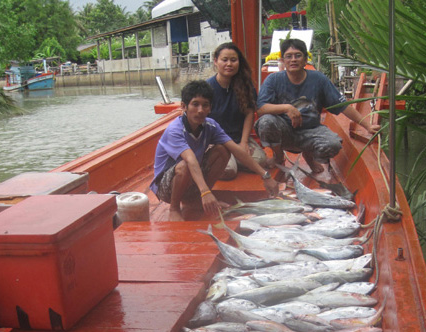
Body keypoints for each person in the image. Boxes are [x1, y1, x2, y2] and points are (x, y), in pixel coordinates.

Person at [151, 80, 278, 221]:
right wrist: (205, 192)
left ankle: (198, 199)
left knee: (222, 150)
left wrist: (265, 175)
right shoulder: (175, 130)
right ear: (184, 106)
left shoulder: (211, 125)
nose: (200, 110)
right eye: (195, 104)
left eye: (205, 105)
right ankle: (174, 208)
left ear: (210, 108)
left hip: (191, 178)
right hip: (166, 187)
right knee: (185, 165)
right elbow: (190, 159)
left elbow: (236, 150)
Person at [255, 38, 380, 178]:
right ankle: (278, 156)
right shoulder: (274, 80)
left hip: (311, 131)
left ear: (305, 59)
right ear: (283, 60)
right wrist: (287, 108)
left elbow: (343, 106)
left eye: (298, 55)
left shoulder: (318, 79)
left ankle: (309, 156)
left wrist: (367, 125)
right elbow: (261, 108)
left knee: (333, 145)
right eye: (288, 56)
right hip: (284, 132)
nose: (293, 60)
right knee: (266, 122)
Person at [207, 42, 268, 180]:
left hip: (237, 138)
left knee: (260, 161)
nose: (229, 64)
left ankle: (234, 157)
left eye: (233, 60)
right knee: (229, 171)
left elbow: (248, 114)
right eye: (224, 60)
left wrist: (244, 142)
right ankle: (229, 160)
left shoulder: (245, 85)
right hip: (216, 142)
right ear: (216, 61)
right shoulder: (207, 88)